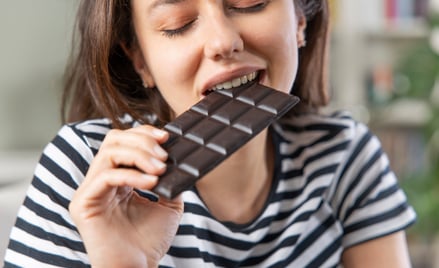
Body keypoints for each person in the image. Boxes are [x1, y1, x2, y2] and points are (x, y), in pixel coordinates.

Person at [4, 0, 416, 267]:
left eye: (249, 2)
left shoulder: (345, 154)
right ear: (141, 62)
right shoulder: (89, 173)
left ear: (299, 21)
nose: (222, 41)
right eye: (177, 24)